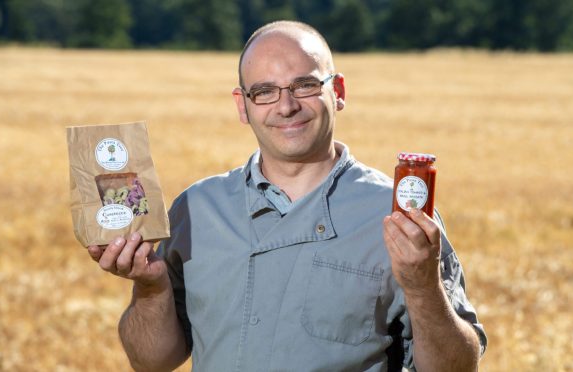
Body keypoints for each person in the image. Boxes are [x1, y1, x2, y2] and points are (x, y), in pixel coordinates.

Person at [87, 20, 487, 372]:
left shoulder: (398, 215)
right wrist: (151, 287)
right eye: (264, 91)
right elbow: (150, 362)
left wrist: (422, 287)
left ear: (339, 91)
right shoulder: (196, 209)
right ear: (242, 106)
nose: (287, 106)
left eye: (305, 85)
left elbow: (456, 368)